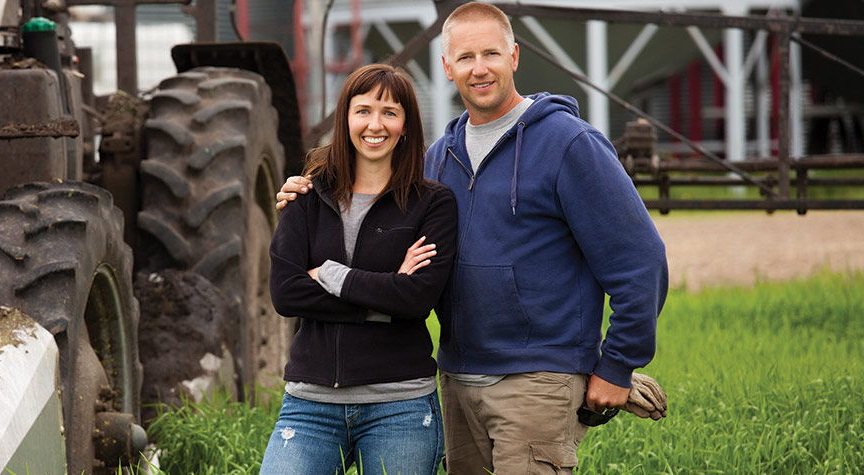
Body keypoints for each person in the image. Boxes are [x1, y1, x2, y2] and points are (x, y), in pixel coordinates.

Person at [276, 3, 669, 474]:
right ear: (446, 67)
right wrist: (309, 184)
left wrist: (617, 364)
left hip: (536, 378)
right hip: (457, 380)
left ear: (515, 57)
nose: (479, 69)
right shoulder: (439, 158)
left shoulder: (568, 144)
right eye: (465, 58)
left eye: (491, 54)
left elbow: (639, 260)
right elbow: (368, 203)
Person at [259, 63, 458, 475]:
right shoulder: (307, 196)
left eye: (390, 112)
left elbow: (418, 298)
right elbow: (286, 293)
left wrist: (330, 275)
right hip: (311, 404)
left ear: (406, 125)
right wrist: (387, 295)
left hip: (399, 404)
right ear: (345, 118)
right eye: (363, 110)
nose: (375, 124)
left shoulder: (433, 203)